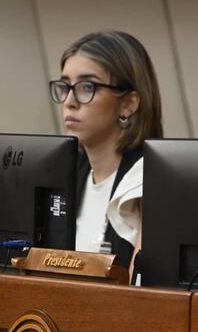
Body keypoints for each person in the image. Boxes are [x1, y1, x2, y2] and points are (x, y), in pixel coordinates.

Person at [49, 30, 162, 277]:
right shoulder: (60, 174)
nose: (69, 101)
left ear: (129, 104)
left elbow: (140, 296)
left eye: (87, 86)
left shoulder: (150, 181)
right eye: (65, 86)